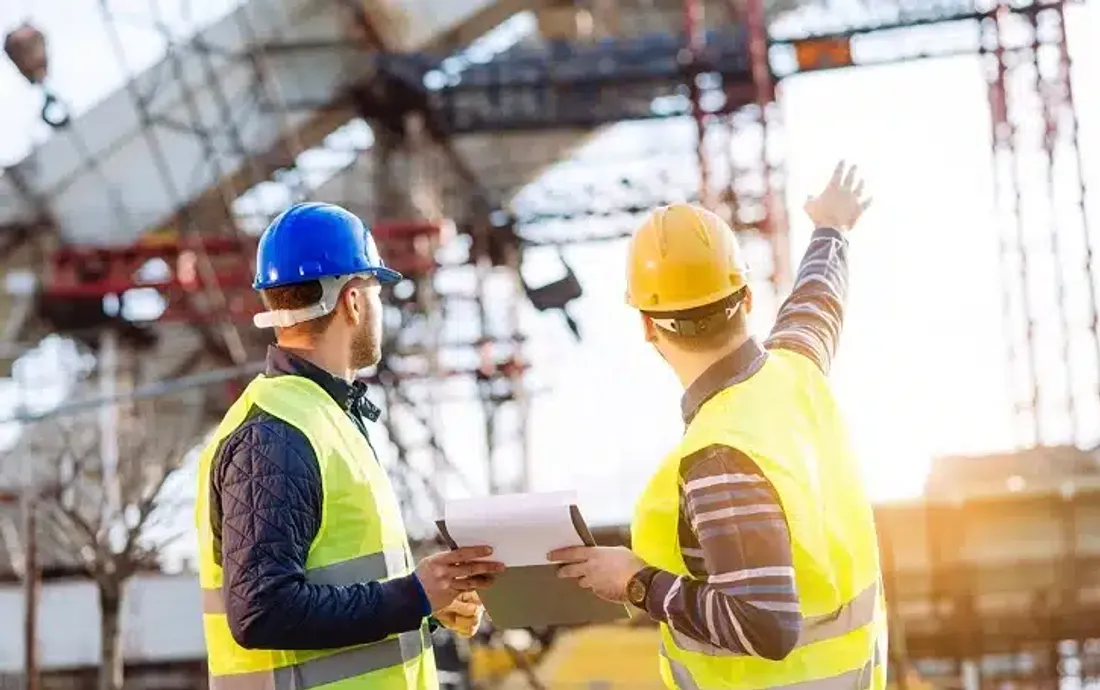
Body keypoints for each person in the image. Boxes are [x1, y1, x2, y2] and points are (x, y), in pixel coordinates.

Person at [550, 162, 887, 690]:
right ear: (747, 300)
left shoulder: (720, 455)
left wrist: (636, 582)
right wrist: (831, 228)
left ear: (644, 325)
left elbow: (767, 626)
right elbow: (818, 301)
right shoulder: (795, 371)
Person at [193, 202, 504, 690]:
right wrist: (414, 595)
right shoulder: (276, 433)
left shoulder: (321, 417)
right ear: (353, 301)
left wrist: (428, 610)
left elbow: (336, 597)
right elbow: (261, 611)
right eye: (377, 292)